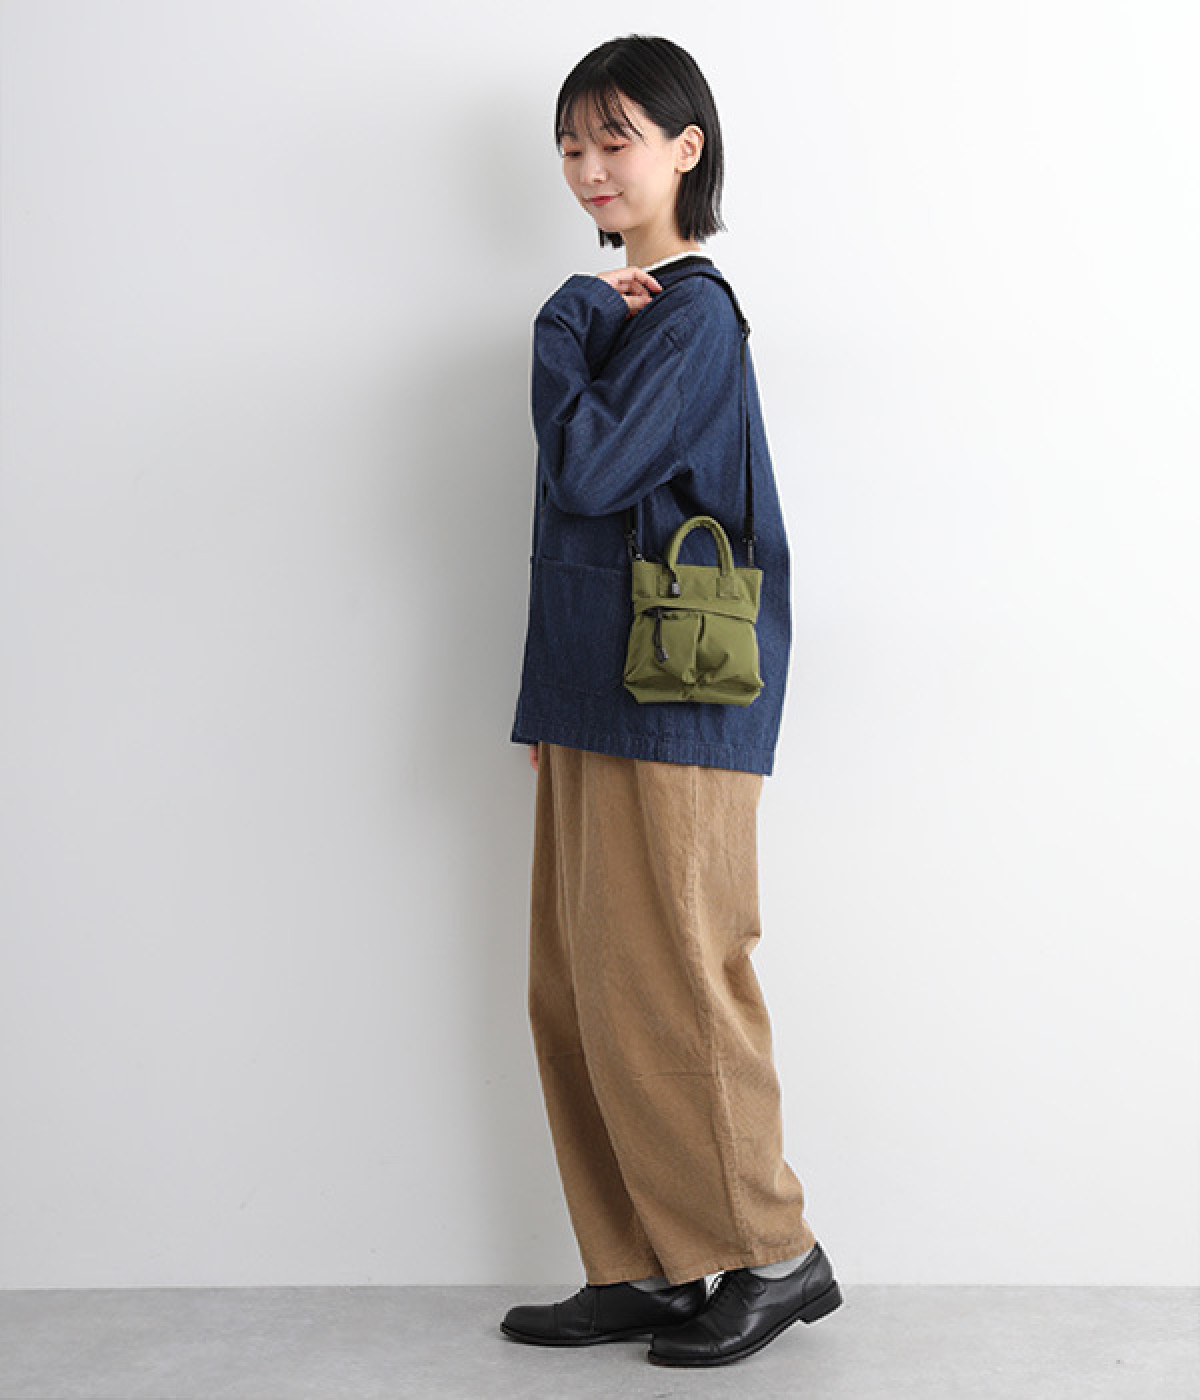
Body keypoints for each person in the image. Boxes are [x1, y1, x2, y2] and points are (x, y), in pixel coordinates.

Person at [501, 35, 844, 1368]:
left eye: (616, 139)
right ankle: (644, 1260)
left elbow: (588, 469)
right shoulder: (631, 313)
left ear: (685, 149)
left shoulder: (684, 315)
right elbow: (572, 534)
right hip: (597, 694)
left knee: (681, 980)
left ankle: (774, 1253)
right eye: (571, 145)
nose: (590, 167)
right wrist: (544, 703)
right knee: (580, 989)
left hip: (678, 700)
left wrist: (566, 319)